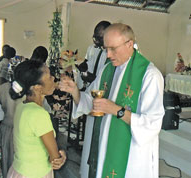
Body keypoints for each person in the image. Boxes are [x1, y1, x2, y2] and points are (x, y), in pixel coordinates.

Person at [59, 23, 165, 178]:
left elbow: (152, 124)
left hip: (131, 156)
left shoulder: (149, 76)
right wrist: (75, 91)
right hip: (104, 146)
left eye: (113, 49)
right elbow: (92, 101)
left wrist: (117, 111)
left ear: (129, 44)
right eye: (105, 48)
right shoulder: (107, 69)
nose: (108, 55)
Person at [7, 60, 66, 178]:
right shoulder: (39, 114)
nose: (53, 78)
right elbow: (55, 159)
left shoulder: (22, 106)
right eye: (49, 76)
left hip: (19, 171)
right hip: (36, 173)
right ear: (38, 88)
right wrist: (63, 155)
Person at [75, 20, 111, 178]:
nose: (96, 41)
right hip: (91, 100)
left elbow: (106, 82)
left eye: (99, 37)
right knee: (89, 141)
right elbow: (92, 76)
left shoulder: (112, 55)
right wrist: (83, 71)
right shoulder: (94, 49)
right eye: (95, 37)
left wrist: (90, 77)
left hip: (105, 108)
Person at [76, 20, 111, 90]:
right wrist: (83, 67)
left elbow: (109, 80)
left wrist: (93, 79)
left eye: (100, 38)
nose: (96, 41)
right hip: (88, 89)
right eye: (95, 37)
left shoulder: (111, 54)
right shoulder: (92, 48)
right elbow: (88, 63)